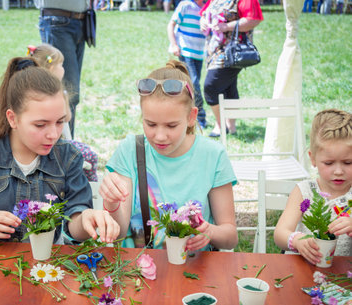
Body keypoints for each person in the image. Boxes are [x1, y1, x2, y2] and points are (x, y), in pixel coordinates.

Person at [0, 57, 120, 244]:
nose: (53, 134)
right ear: (12, 119)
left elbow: (75, 226)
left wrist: (87, 219)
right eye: (40, 125)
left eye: (60, 122)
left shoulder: (68, 157)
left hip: (46, 269)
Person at [99, 60, 238, 252]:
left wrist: (210, 232)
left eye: (171, 126)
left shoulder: (213, 156)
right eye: (150, 124)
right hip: (138, 270)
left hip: (195, 270)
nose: (160, 136)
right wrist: (111, 202)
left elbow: (230, 238)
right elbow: (120, 234)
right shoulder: (130, 150)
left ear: (191, 117)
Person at [274, 109, 352, 262]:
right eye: (328, 163)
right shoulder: (304, 191)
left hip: (342, 276)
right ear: (313, 158)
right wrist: (297, 241)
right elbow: (280, 233)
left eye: (348, 162)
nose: (338, 171)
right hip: (302, 268)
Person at [28, 44, 99, 182]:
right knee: (90, 156)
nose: (63, 69)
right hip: (57, 145)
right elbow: (67, 117)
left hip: (50, 144)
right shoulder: (59, 93)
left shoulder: (28, 90)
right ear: (51, 67)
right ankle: (91, 186)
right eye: (61, 65)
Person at [199, 0, 263, 137]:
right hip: (214, 49)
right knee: (228, 87)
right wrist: (203, 21)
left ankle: (221, 125)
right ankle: (231, 126)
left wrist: (227, 27)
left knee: (211, 86)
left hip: (233, 50)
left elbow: (253, 20)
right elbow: (205, 13)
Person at [35, 0, 88, 139]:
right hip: (57, 19)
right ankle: (61, 146)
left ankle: (65, 144)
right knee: (66, 91)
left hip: (81, 19)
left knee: (70, 93)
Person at [167, 0, 208, 129]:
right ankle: (200, 116)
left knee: (189, 84)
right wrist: (174, 44)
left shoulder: (206, 7)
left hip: (199, 53)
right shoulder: (185, 5)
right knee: (194, 83)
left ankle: (181, 112)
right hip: (185, 50)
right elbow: (171, 25)